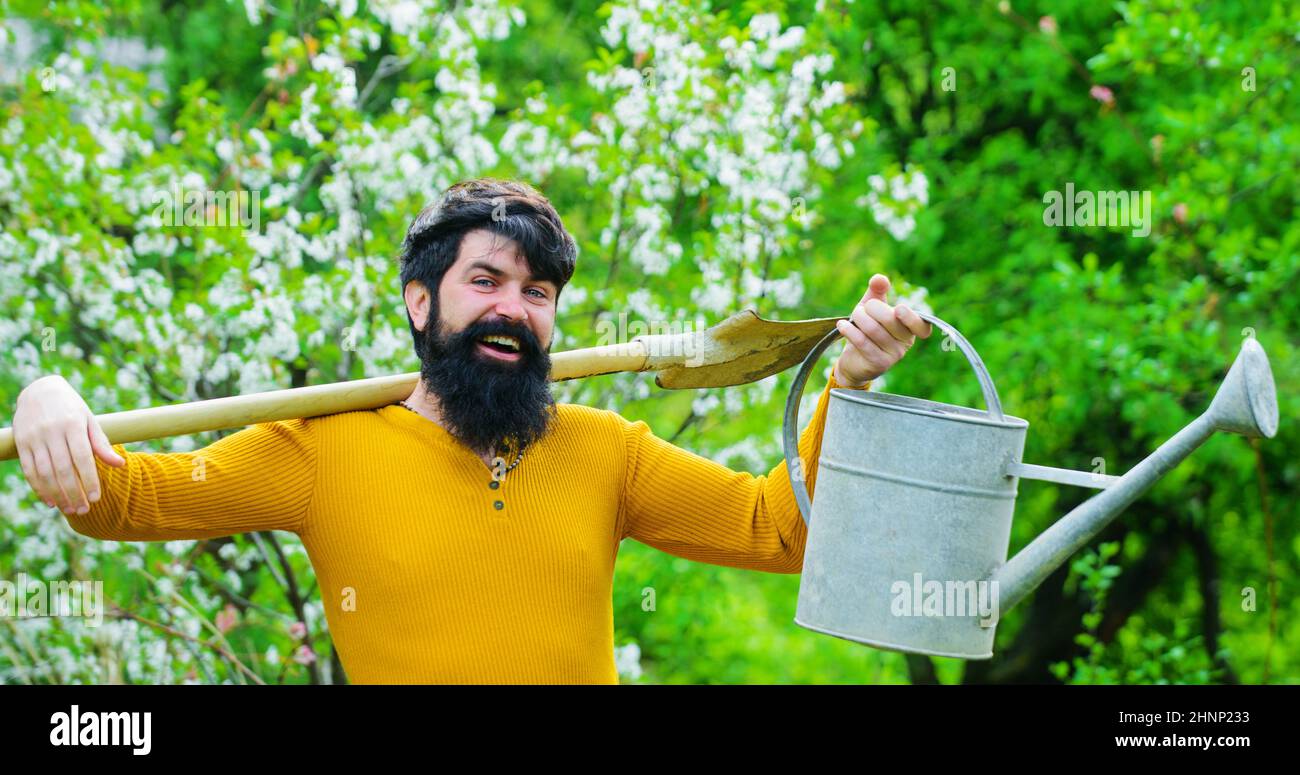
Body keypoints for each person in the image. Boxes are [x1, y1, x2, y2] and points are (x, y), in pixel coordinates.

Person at [11, 177, 932, 683]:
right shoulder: (321, 449)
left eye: (538, 294)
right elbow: (118, 498)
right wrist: (46, 395)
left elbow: (782, 528)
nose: (515, 310)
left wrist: (843, 388)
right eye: (486, 282)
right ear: (421, 302)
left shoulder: (606, 449)